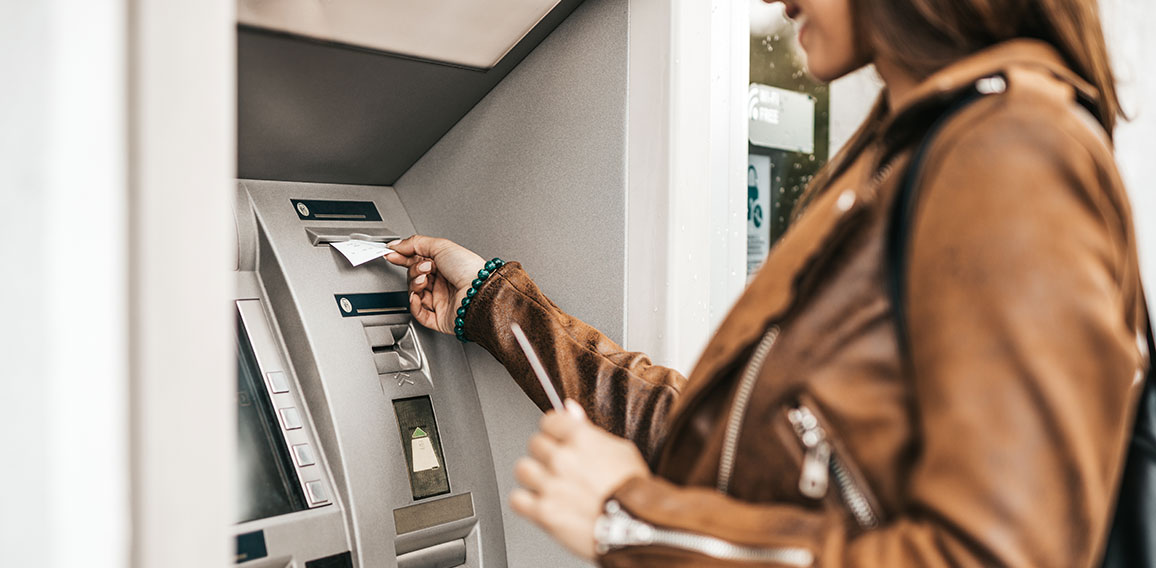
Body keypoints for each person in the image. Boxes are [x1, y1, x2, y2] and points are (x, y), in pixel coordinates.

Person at [385, 0, 1147, 565]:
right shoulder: (901, 153)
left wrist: (633, 521)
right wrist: (492, 302)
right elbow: (725, 450)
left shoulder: (1013, 158)